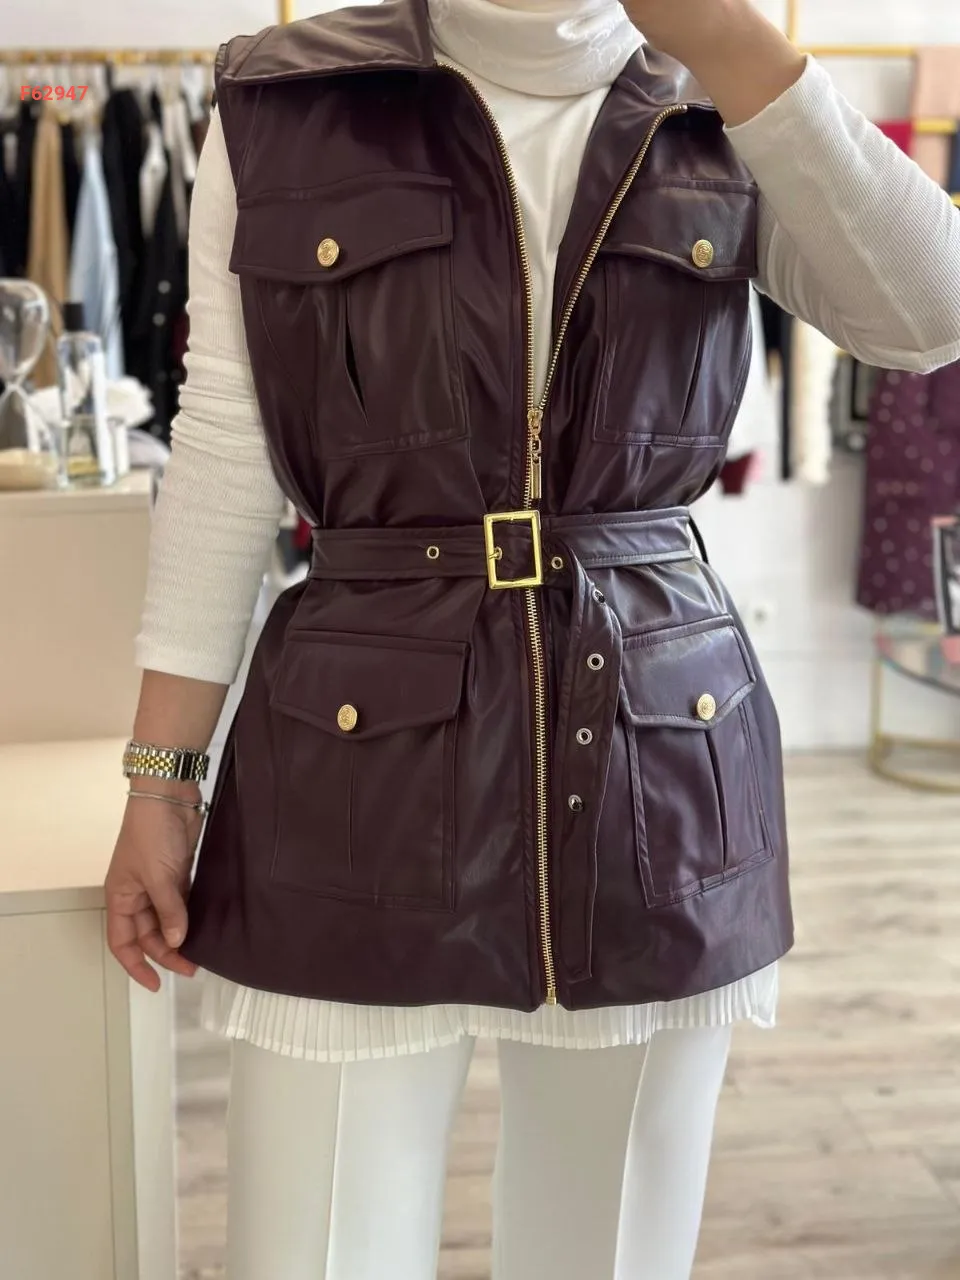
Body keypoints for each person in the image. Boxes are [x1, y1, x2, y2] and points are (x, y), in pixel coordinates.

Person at [105, 0, 960, 1275]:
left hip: (655, 754)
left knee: (606, 1248)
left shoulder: (727, 94)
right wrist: (161, 778)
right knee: (316, 1246)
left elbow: (929, 315)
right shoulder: (283, 100)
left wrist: (739, 48)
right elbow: (227, 445)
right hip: (354, 760)